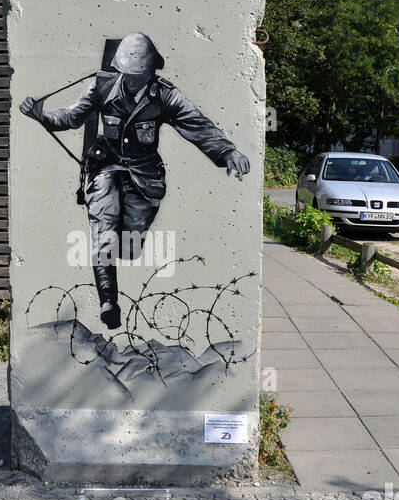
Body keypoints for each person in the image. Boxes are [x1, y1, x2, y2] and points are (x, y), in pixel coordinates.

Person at [20, 32, 250, 330]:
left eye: (138, 76)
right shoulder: (103, 86)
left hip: (144, 178)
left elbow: (197, 124)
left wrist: (227, 151)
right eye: (127, 75)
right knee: (103, 229)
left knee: (129, 244)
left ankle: (121, 253)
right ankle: (108, 301)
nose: (131, 82)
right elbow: (73, 116)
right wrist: (42, 116)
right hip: (105, 167)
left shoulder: (164, 94)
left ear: (151, 71)